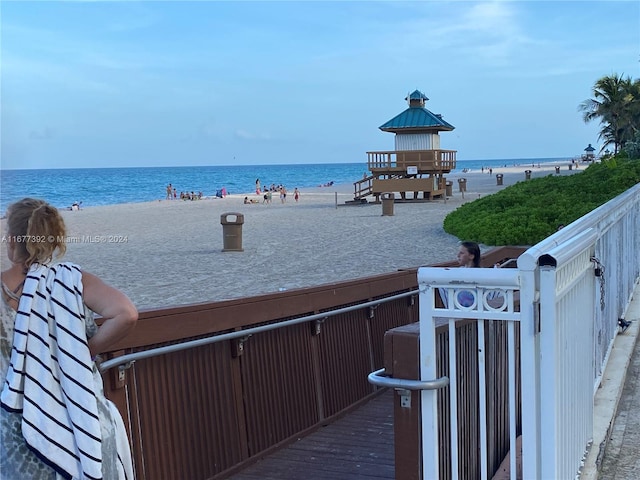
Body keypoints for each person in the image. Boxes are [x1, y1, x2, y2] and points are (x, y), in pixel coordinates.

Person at [1, 198, 137, 479]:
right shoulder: (72, 280)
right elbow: (126, 313)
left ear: (13, 240)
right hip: (84, 422)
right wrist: (86, 350)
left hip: (17, 431)